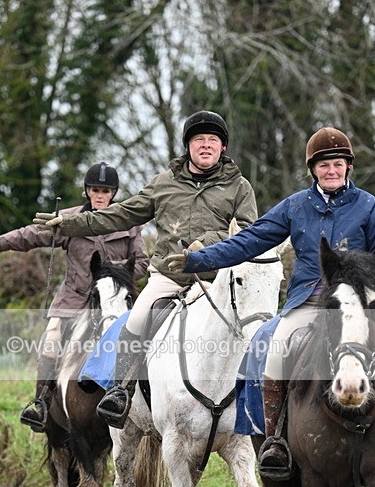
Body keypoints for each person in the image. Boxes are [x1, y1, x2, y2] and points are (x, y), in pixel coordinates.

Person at [166, 126, 375, 476]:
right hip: (309, 303)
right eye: (324, 165)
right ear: (313, 169)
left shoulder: (368, 205)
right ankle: (274, 440)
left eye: (338, 164)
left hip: (361, 302)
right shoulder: (296, 205)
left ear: (348, 167)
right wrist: (199, 260)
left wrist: (368, 280)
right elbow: (249, 241)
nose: (331, 171)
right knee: (264, 345)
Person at [34, 110, 259, 428]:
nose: (205, 145)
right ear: (188, 146)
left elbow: (248, 233)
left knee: (253, 328)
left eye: (213, 140)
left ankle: (255, 409)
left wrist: (208, 244)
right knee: (135, 320)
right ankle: (120, 392)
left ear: (223, 147)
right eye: (199, 140)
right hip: (169, 276)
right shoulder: (164, 184)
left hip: (217, 277)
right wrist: (70, 223)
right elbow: (120, 214)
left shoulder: (240, 187)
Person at [0, 162, 149, 432]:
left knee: (142, 342)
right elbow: (30, 235)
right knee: (50, 342)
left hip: (113, 302)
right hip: (74, 300)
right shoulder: (69, 219)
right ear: (87, 191)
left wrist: (115, 274)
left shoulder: (129, 224)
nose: (100, 195)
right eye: (95, 190)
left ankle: (142, 401)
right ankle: (40, 403)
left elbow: (142, 262)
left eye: (105, 191)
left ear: (113, 193)